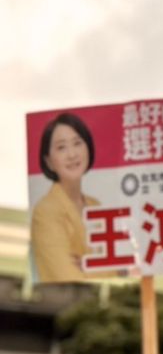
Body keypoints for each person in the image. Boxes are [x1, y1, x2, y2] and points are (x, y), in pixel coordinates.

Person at [30, 112, 99, 283]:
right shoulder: (45, 212)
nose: (72, 154)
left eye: (77, 143)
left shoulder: (95, 206)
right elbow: (66, 276)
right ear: (48, 161)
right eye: (61, 147)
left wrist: (88, 265)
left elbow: (120, 268)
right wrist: (104, 268)